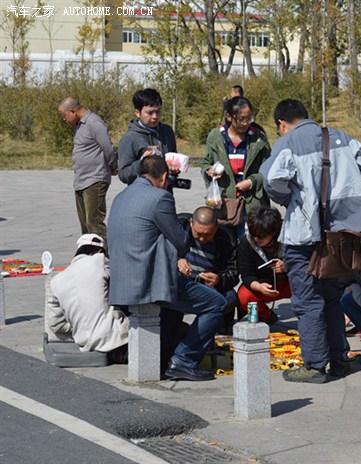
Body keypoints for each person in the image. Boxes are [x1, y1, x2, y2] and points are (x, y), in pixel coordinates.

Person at [261, 98, 361, 384]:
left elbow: (271, 179)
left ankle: (314, 365)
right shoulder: (340, 137)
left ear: (282, 123)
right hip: (340, 235)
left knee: (307, 301)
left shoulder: (288, 142)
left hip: (303, 235)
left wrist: (292, 199)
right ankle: (339, 360)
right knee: (331, 298)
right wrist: (344, 194)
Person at [107, 156, 226, 381]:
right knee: (216, 303)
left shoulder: (120, 196)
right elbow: (181, 240)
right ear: (164, 177)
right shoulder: (161, 197)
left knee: (175, 304)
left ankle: (166, 355)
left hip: (121, 283)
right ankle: (183, 360)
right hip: (149, 281)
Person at [46, 233, 128, 363]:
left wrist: (79, 325)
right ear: (100, 251)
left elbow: (55, 325)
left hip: (84, 342)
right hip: (118, 341)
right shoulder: (99, 261)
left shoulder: (56, 280)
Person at [202, 96, 271, 239]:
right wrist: (209, 171)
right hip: (223, 203)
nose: (245, 123)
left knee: (248, 244)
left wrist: (251, 182)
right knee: (224, 244)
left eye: (249, 118)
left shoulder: (258, 139)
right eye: (241, 119)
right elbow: (206, 163)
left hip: (251, 203)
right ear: (229, 117)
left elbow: (269, 170)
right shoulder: (216, 137)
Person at [58, 98, 118, 240]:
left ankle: (104, 252)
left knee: (94, 224)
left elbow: (108, 148)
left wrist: (113, 166)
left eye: (65, 115)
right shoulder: (78, 125)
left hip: (95, 179)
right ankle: (88, 252)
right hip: (81, 180)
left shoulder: (94, 123)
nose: (64, 119)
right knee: (85, 225)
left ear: (73, 111)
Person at [177, 206, 240, 334]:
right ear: (191, 223)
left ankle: (201, 330)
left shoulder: (227, 238)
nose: (202, 239)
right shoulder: (179, 226)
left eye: (208, 234)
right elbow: (159, 250)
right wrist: (176, 260)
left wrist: (219, 279)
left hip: (209, 288)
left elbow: (233, 273)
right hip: (181, 284)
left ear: (216, 228)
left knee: (230, 297)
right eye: (198, 234)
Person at [237, 205, 291, 325]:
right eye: (253, 234)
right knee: (245, 296)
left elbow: (303, 264)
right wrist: (259, 287)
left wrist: (286, 266)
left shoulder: (288, 238)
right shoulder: (246, 244)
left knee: (309, 287)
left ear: (273, 232)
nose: (256, 239)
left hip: (288, 283)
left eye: (262, 236)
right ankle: (266, 316)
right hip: (263, 285)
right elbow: (247, 275)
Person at [118, 88, 179, 186]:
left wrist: (174, 169)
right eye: (150, 113)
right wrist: (142, 163)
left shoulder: (167, 131)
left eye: (158, 112)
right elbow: (124, 175)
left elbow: (173, 159)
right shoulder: (130, 138)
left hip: (165, 191)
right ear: (137, 112)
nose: (155, 117)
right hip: (141, 192)